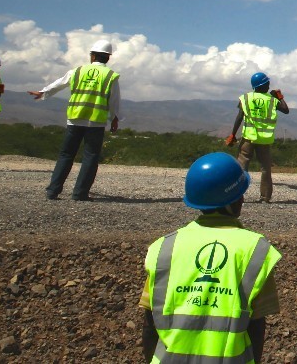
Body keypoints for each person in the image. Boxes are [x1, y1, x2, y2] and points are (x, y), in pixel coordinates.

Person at [141, 152, 281, 362]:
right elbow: (256, 328)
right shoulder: (255, 251)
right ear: (236, 199)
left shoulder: (164, 248)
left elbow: (149, 325)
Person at [29, 38, 121, 201]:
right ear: (108, 57)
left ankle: (53, 191)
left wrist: (43, 92)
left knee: (66, 155)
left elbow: (60, 83)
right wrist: (114, 118)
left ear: (92, 56)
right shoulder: (111, 76)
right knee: (90, 157)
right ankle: (80, 193)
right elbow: (114, 100)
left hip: (75, 119)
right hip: (96, 122)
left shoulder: (78, 71)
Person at [225, 72, 289, 203]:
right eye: (268, 83)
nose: (269, 85)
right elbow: (286, 110)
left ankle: (237, 196)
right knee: (265, 168)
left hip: (248, 138)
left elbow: (239, 116)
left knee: (242, 166)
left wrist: (233, 134)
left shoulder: (246, 98)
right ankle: (265, 197)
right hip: (264, 140)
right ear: (264, 85)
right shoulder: (272, 100)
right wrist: (280, 97)